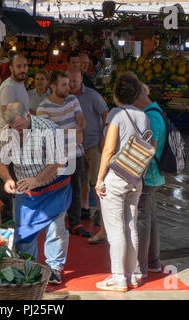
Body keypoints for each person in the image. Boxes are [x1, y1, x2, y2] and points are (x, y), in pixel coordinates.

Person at [0, 102, 71, 285]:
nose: (17, 130)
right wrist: (7, 179)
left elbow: (57, 162)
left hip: (55, 186)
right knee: (24, 231)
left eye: (19, 126)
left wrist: (37, 180)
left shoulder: (49, 129)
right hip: (26, 190)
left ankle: (54, 268)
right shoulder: (6, 132)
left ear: (28, 114)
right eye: (13, 127)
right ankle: (28, 268)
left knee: (56, 229)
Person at [95, 72, 150, 292]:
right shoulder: (143, 116)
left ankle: (118, 277)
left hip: (116, 178)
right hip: (136, 177)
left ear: (116, 95)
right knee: (130, 226)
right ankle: (131, 274)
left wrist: (99, 179)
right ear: (136, 94)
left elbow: (108, 149)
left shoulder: (116, 115)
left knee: (116, 228)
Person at [37, 70, 91, 238]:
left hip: (75, 153)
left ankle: (75, 223)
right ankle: (52, 222)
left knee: (75, 188)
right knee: (55, 189)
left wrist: (79, 129)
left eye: (68, 84)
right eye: (64, 85)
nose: (68, 88)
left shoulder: (73, 100)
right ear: (52, 86)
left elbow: (81, 119)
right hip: (56, 157)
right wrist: (72, 132)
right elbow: (49, 134)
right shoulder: (43, 107)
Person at [67, 70, 109, 244]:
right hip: (76, 147)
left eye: (75, 81)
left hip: (93, 144)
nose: (72, 84)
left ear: (81, 79)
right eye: (69, 81)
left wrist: (104, 137)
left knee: (96, 181)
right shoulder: (67, 98)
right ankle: (84, 208)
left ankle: (99, 211)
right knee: (81, 180)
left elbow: (106, 114)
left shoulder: (93, 96)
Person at [132, 84, 167, 279]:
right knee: (150, 219)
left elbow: (149, 149)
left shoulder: (150, 116)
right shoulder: (156, 110)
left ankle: (140, 266)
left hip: (148, 175)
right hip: (154, 175)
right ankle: (153, 262)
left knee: (142, 221)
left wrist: (136, 174)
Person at [0, 53, 30, 224]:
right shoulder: (9, 87)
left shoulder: (20, 85)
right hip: (7, 137)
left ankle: (11, 217)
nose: (22, 70)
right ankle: (6, 219)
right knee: (6, 179)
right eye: (19, 66)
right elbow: (7, 114)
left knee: (13, 178)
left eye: (24, 66)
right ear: (11, 68)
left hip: (16, 136)